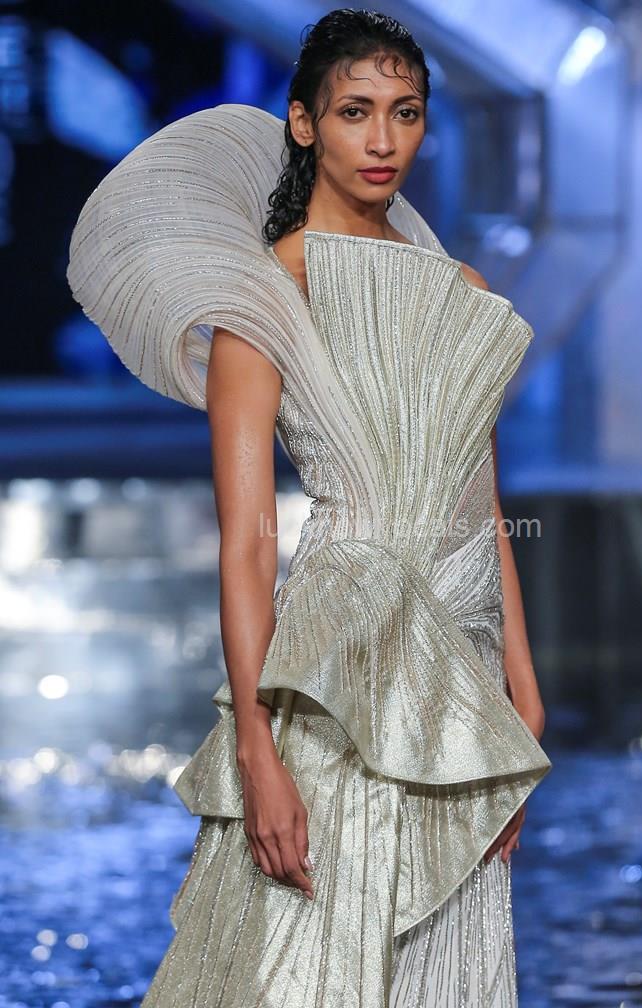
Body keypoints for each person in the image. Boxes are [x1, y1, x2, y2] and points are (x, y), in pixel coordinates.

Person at [67, 9, 552, 1006]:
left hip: (463, 684)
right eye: (353, 111)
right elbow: (247, 548)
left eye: (404, 112)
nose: (382, 140)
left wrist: (522, 693)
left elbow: (481, 498)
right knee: (302, 970)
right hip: (339, 674)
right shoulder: (260, 303)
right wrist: (256, 750)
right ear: (303, 123)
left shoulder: (459, 289)